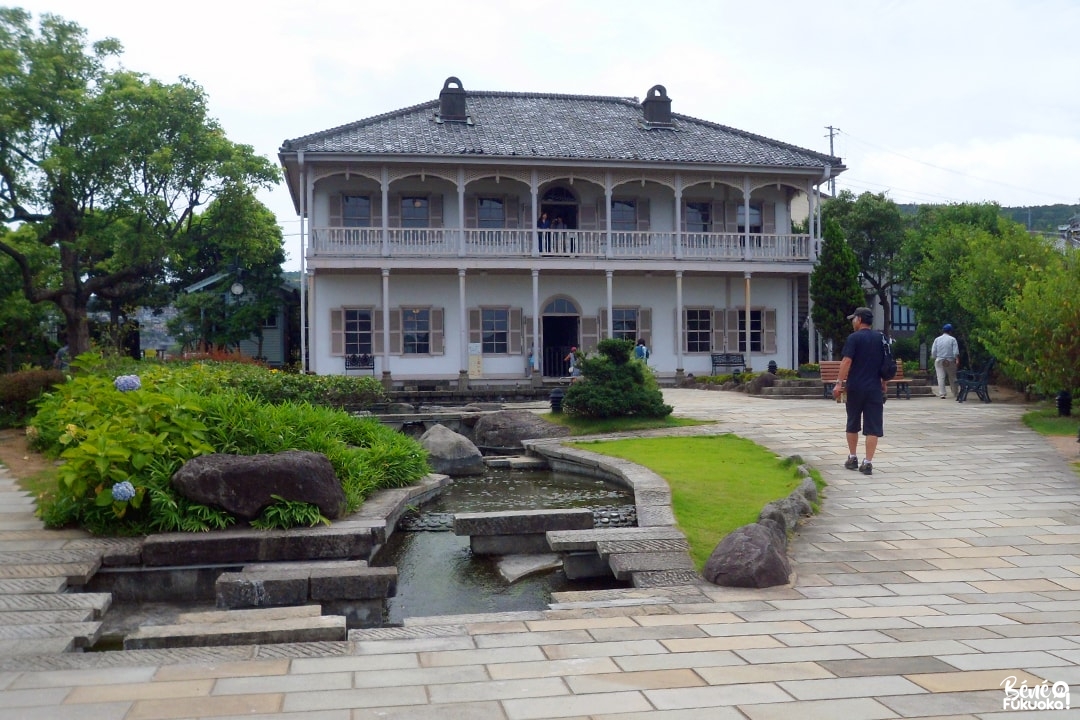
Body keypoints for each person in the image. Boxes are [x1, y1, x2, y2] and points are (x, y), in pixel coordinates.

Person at [831, 307, 887, 475]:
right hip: (875, 387)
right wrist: (884, 382)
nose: (852, 322)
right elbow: (885, 363)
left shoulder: (853, 338)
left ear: (860, 319)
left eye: (854, 319)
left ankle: (853, 457)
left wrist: (839, 383)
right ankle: (868, 462)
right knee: (873, 426)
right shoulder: (881, 338)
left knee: (853, 422)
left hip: (855, 387)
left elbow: (846, 361)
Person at [930, 323, 960, 399]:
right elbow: (955, 351)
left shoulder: (937, 339)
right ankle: (955, 393)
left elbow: (933, 351)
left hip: (939, 360)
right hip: (950, 360)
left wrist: (935, 357)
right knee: (953, 377)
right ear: (950, 331)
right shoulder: (952, 339)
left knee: (940, 377)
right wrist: (957, 359)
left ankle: (942, 394)